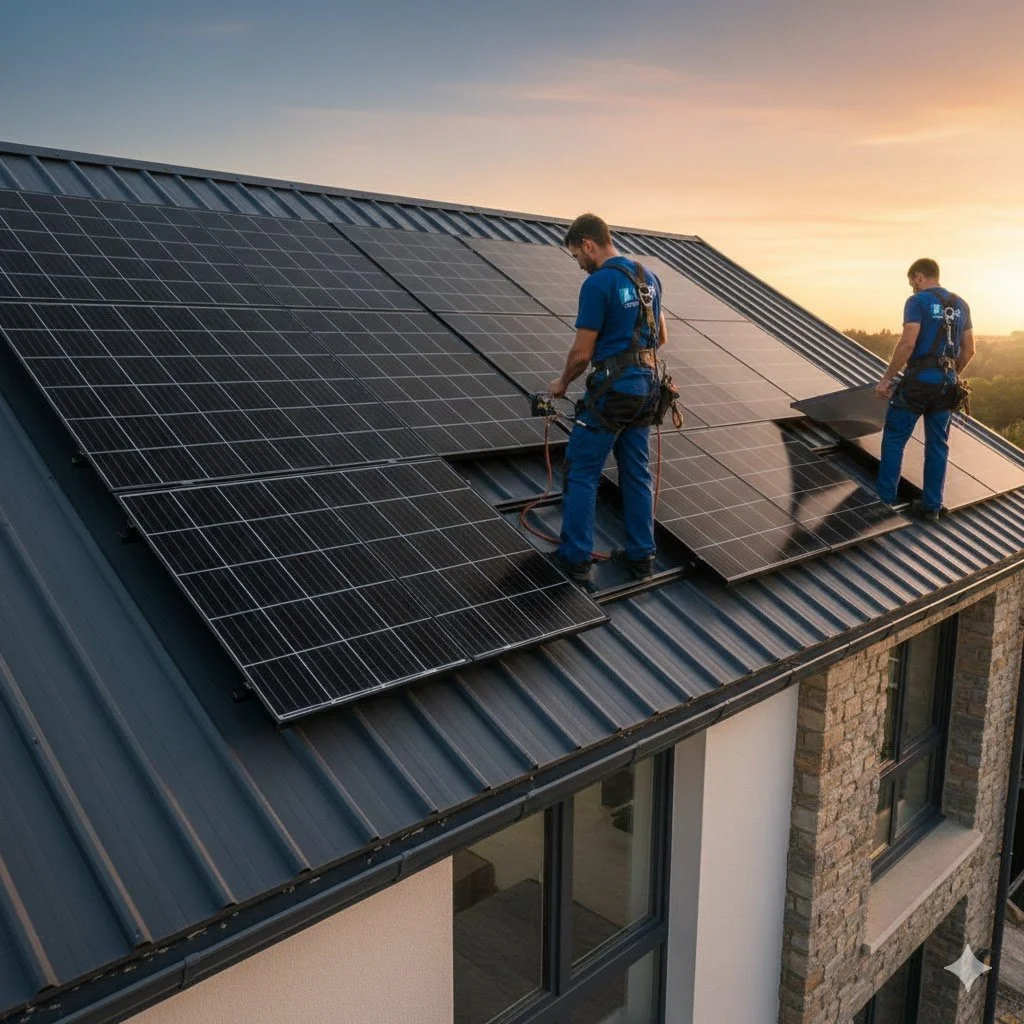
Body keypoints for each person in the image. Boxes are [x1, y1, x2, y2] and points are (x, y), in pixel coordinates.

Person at [548, 213, 668, 582]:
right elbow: (660, 337)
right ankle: (640, 555)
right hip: (647, 387)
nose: (579, 264)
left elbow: (582, 353)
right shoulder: (648, 277)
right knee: (635, 470)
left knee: (581, 469)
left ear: (588, 244)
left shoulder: (598, 284)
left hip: (614, 389)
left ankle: (575, 558)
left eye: (576, 256)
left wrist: (562, 383)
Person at [874, 258, 975, 521]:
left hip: (918, 382)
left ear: (919, 277)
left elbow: (908, 343)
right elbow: (970, 349)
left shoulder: (917, 302)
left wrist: (886, 378)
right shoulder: (960, 304)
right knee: (938, 444)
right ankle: (932, 506)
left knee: (895, 438)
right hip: (947, 384)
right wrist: (951, 376)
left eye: (912, 284)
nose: (913, 289)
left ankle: (884, 502)